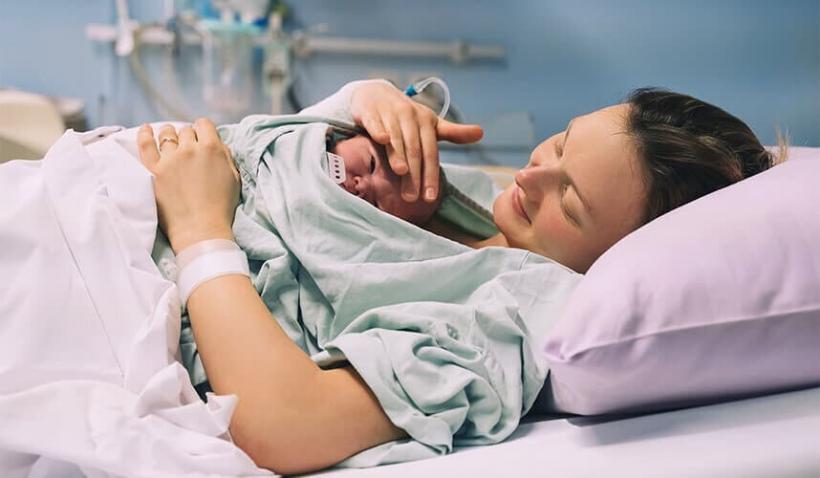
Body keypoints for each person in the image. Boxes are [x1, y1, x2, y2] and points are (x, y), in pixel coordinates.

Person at [136, 79, 781, 474]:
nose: (530, 175)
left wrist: (200, 230)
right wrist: (358, 100)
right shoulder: (478, 205)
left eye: (569, 201)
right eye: (560, 144)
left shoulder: (513, 318)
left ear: (618, 256)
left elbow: (288, 423)